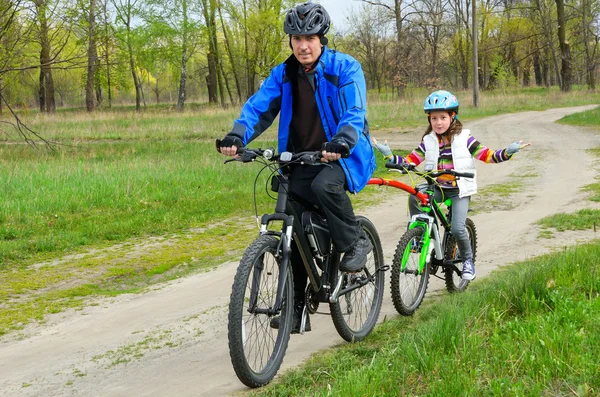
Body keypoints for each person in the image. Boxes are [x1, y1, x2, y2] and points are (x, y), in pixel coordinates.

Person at [217, 2, 376, 333]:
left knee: (323, 187)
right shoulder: (284, 74)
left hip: (342, 155)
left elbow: (354, 111)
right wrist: (237, 135)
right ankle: (297, 307)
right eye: (296, 38)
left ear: (322, 38)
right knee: (293, 224)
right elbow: (259, 108)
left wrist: (343, 140)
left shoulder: (345, 68)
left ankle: (354, 242)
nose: (303, 45)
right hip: (300, 157)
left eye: (310, 37)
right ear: (290, 41)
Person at [372, 90, 530, 281]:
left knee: (457, 228)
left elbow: (487, 155)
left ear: (453, 116)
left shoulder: (465, 138)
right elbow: (410, 161)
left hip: (459, 190)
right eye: (434, 118)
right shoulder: (428, 141)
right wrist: (389, 155)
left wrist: (507, 152)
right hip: (437, 188)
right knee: (415, 196)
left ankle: (468, 261)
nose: (438, 122)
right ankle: (423, 237)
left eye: (443, 117)